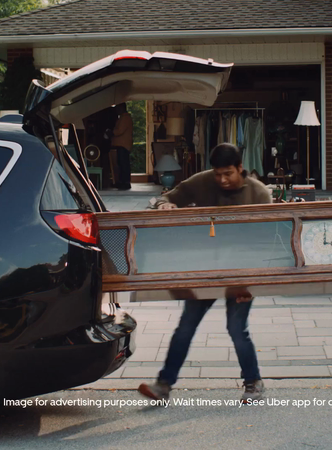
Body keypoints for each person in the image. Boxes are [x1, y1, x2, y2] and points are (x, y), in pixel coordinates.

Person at [138, 143, 271, 404]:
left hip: (241, 273)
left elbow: (266, 244)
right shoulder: (202, 181)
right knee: (185, 326)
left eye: (228, 174)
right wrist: (164, 205)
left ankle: (253, 382)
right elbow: (165, 197)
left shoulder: (259, 193)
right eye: (217, 174)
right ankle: (163, 385)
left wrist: (252, 285)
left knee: (236, 329)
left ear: (240, 168)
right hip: (205, 268)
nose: (222, 180)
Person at [111, 103, 133, 190]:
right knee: (121, 163)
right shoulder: (123, 117)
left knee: (123, 164)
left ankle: (125, 182)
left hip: (123, 144)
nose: (117, 110)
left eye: (118, 108)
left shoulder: (125, 118)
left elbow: (119, 131)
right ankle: (122, 181)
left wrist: (112, 131)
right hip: (122, 144)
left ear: (122, 108)